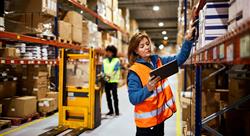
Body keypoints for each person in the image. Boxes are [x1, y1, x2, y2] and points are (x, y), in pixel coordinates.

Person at [127, 27, 195, 136]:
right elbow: (133, 98)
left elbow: (179, 59)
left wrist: (187, 40)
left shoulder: (158, 61)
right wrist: (147, 89)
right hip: (146, 125)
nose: (146, 47)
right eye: (142, 46)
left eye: (147, 44)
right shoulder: (135, 71)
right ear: (136, 51)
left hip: (159, 120)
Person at [102, 45, 121, 116]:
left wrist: (110, 75)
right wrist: (103, 76)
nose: (108, 53)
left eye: (110, 52)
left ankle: (117, 111)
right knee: (108, 97)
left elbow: (115, 70)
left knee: (115, 97)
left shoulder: (116, 60)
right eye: (107, 52)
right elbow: (103, 70)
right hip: (106, 81)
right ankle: (111, 110)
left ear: (113, 53)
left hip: (113, 81)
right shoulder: (104, 61)